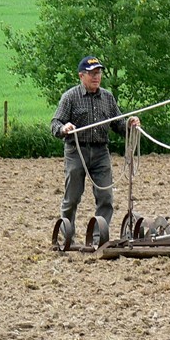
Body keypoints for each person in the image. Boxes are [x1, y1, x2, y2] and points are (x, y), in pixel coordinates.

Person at [51, 56, 140, 240]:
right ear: (81, 76)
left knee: (106, 197)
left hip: (101, 152)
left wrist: (130, 125)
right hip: (77, 152)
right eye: (92, 73)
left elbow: (118, 124)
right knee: (72, 197)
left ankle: (100, 237)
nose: (96, 77)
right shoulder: (70, 97)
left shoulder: (107, 97)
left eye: (98, 73)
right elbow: (55, 123)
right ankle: (67, 234)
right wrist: (63, 128)